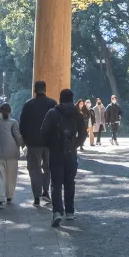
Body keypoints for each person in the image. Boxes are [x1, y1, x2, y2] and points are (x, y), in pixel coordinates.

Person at [40, 88, 88, 227]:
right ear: (72, 99)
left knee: (56, 183)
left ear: (60, 99)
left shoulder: (52, 113)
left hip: (55, 152)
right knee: (69, 182)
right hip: (71, 153)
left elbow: (44, 131)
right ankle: (70, 212)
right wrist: (74, 145)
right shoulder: (77, 114)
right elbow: (83, 134)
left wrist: (50, 145)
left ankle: (57, 212)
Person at [19, 81, 57, 207]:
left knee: (34, 169)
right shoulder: (52, 104)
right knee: (48, 168)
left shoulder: (28, 104)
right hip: (49, 143)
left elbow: (22, 124)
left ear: (34, 90)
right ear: (45, 90)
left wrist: (24, 141)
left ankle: (36, 195)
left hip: (33, 143)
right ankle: (46, 191)